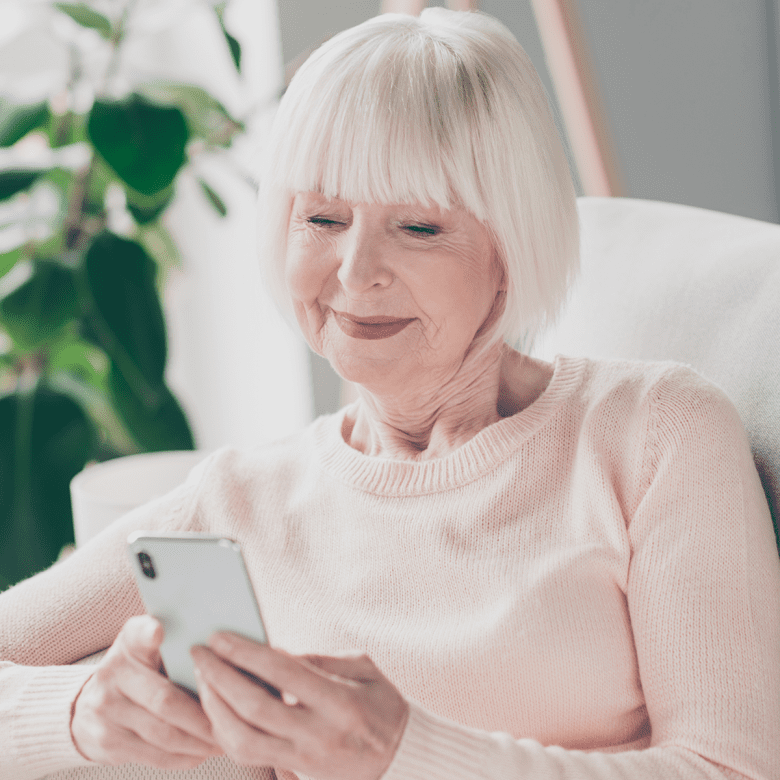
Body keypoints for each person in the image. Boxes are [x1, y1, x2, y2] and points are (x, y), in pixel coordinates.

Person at [1, 7, 778, 780]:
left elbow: (733, 769)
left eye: (419, 228)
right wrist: (77, 715)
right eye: (323, 217)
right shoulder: (242, 500)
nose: (353, 273)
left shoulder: (655, 435)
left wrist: (401, 755)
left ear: (512, 245)